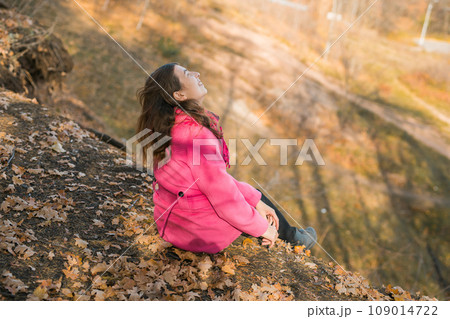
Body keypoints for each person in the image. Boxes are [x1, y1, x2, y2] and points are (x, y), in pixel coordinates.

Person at [135, 62, 317, 254]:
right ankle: (294, 240)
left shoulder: (168, 126)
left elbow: (207, 180)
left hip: (172, 224)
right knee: (244, 199)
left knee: (253, 195)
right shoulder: (196, 135)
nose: (196, 73)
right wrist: (262, 227)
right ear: (179, 95)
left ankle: (292, 235)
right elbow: (223, 196)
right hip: (197, 234)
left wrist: (256, 201)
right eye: (188, 74)